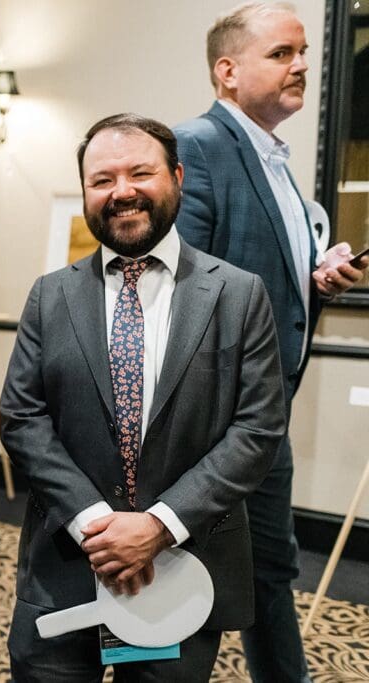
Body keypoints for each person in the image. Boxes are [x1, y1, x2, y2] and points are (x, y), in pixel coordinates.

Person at [0, 113, 287, 681]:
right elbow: (22, 418)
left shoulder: (237, 294)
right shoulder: (49, 296)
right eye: (102, 179)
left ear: (177, 177)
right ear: (85, 191)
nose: (122, 192)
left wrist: (156, 526)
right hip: (65, 564)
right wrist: (96, 526)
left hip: (180, 569)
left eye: (140, 173)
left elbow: (257, 430)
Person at [173, 5, 369, 680]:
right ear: (227, 71)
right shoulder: (195, 145)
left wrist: (318, 283)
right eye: (282, 53)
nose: (303, 65)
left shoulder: (279, 165)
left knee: (270, 567)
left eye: (306, 52)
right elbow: (182, 281)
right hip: (204, 418)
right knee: (173, 576)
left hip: (264, 413)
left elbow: (256, 275)